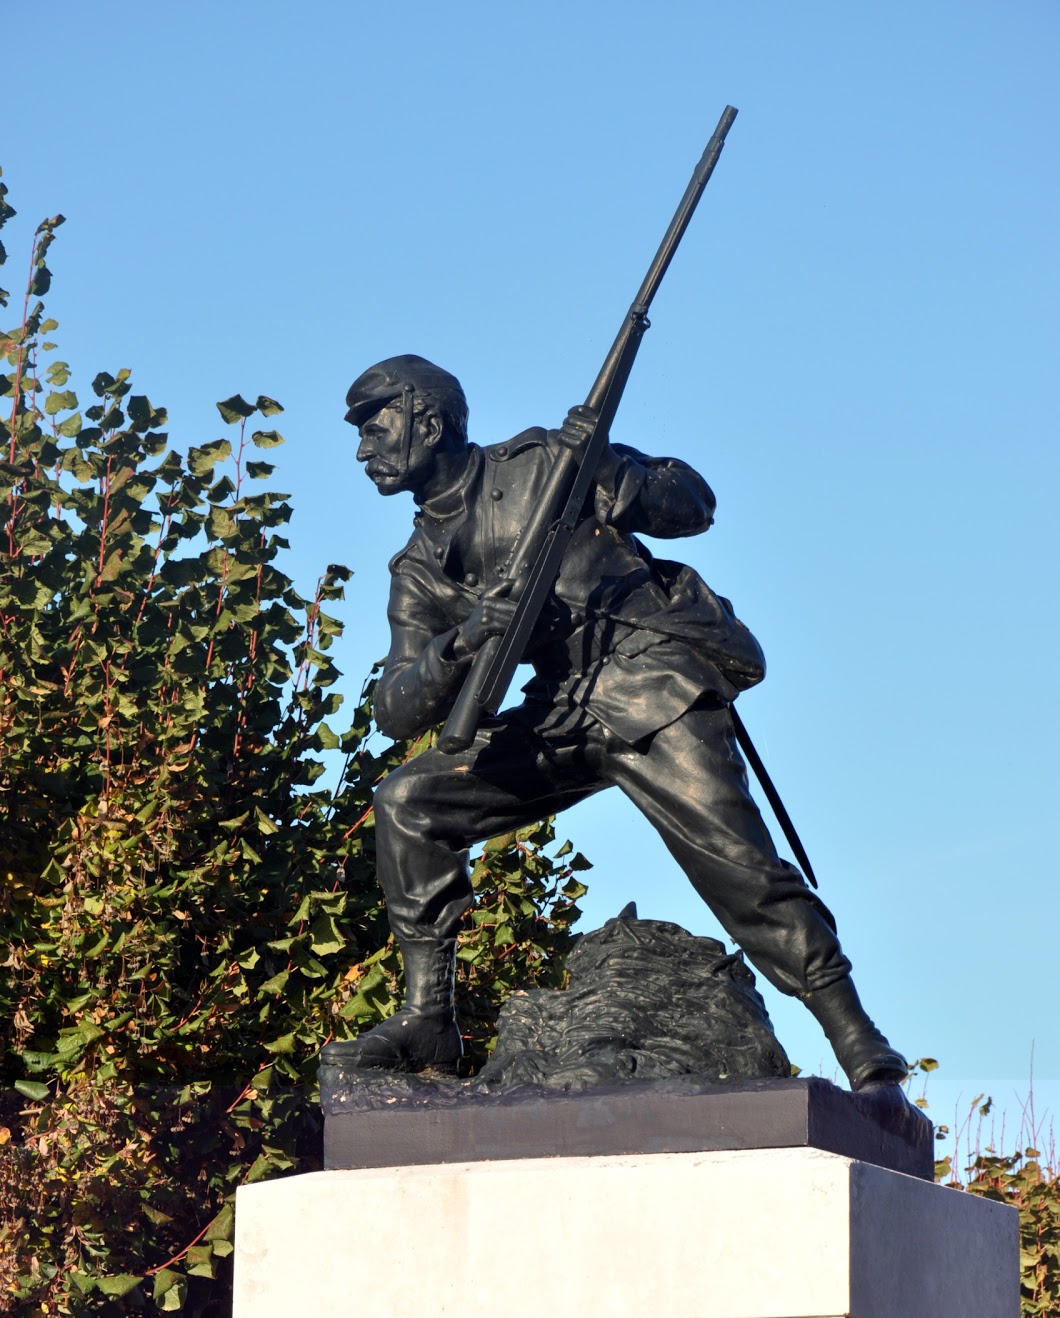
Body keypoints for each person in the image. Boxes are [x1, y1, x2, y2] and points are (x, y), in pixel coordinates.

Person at [325, 354, 909, 1106]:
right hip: (559, 712)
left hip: (646, 681)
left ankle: (859, 1042)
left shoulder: (545, 464)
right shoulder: (418, 568)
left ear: (427, 421)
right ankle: (429, 1018)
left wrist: (608, 468)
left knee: (744, 872)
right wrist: (462, 642)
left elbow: (693, 505)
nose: (363, 450)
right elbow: (396, 706)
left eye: (376, 428)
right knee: (409, 803)